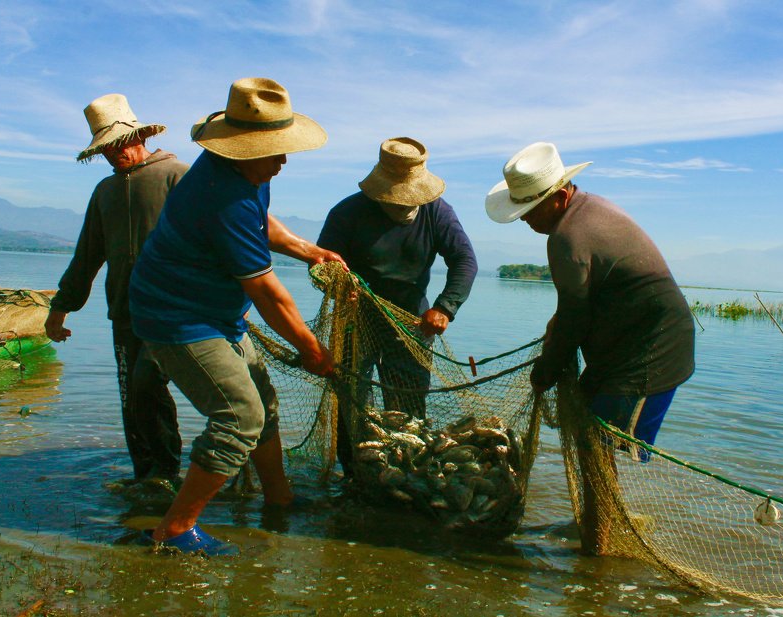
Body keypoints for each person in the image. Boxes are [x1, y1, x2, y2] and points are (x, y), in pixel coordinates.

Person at [128, 77, 344, 555]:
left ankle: (279, 498)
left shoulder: (241, 175)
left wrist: (308, 250)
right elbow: (267, 292)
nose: (283, 160)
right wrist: (311, 349)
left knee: (262, 400)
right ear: (243, 149)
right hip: (177, 318)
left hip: (214, 311)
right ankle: (175, 529)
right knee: (239, 415)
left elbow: (261, 222)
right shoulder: (221, 195)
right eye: (274, 151)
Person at [485, 142, 695, 551]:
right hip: (622, 345)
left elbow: (574, 318)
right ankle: (602, 530)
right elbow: (575, 307)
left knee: (595, 443)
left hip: (650, 352)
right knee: (591, 440)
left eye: (531, 208)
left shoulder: (567, 237)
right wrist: (556, 341)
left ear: (560, 196)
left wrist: (545, 370)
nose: (526, 219)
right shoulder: (590, 209)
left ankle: (597, 544)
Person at [45, 94, 187, 485]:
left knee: (146, 385)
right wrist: (61, 306)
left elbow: (214, 239)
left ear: (138, 137)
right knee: (131, 396)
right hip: (124, 312)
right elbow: (87, 255)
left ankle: (168, 470)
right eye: (105, 149)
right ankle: (147, 476)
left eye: (118, 144)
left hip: (174, 313)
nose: (114, 154)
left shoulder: (177, 176)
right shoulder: (104, 192)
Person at [317, 137, 478, 472]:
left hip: (411, 325)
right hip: (353, 321)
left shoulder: (437, 212)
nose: (404, 206)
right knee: (353, 406)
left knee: (407, 414)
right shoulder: (347, 212)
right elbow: (319, 266)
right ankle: (355, 476)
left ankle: (404, 476)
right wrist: (336, 286)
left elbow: (464, 260)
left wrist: (445, 307)